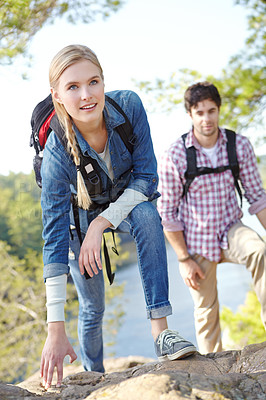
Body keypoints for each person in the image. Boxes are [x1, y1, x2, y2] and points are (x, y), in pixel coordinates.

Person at [39, 44, 196, 390]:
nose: (86, 95)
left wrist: (102, 222)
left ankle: (162, 333)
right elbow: (52, 240)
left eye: (93, 82)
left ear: (103, 81)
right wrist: (55, 329)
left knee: (146, 215)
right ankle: (95, 375)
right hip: (77, 220)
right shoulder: (56, 152)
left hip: (124, 202)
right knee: (92, 308)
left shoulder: (128, 107)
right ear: (57, 96)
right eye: (73, 87)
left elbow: (146, 179)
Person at [157, 81, 266, 355]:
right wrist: (183, 259)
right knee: (206, 312)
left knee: (260, 251)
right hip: (196, 239)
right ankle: (212, 368)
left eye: (211, 111)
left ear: (218, 110)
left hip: (232, 229)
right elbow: (167, 214)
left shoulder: (238, 145)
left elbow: (258, 197)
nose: (207, 119)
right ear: (190, 115)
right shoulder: (175, 155)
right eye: (200, 112)